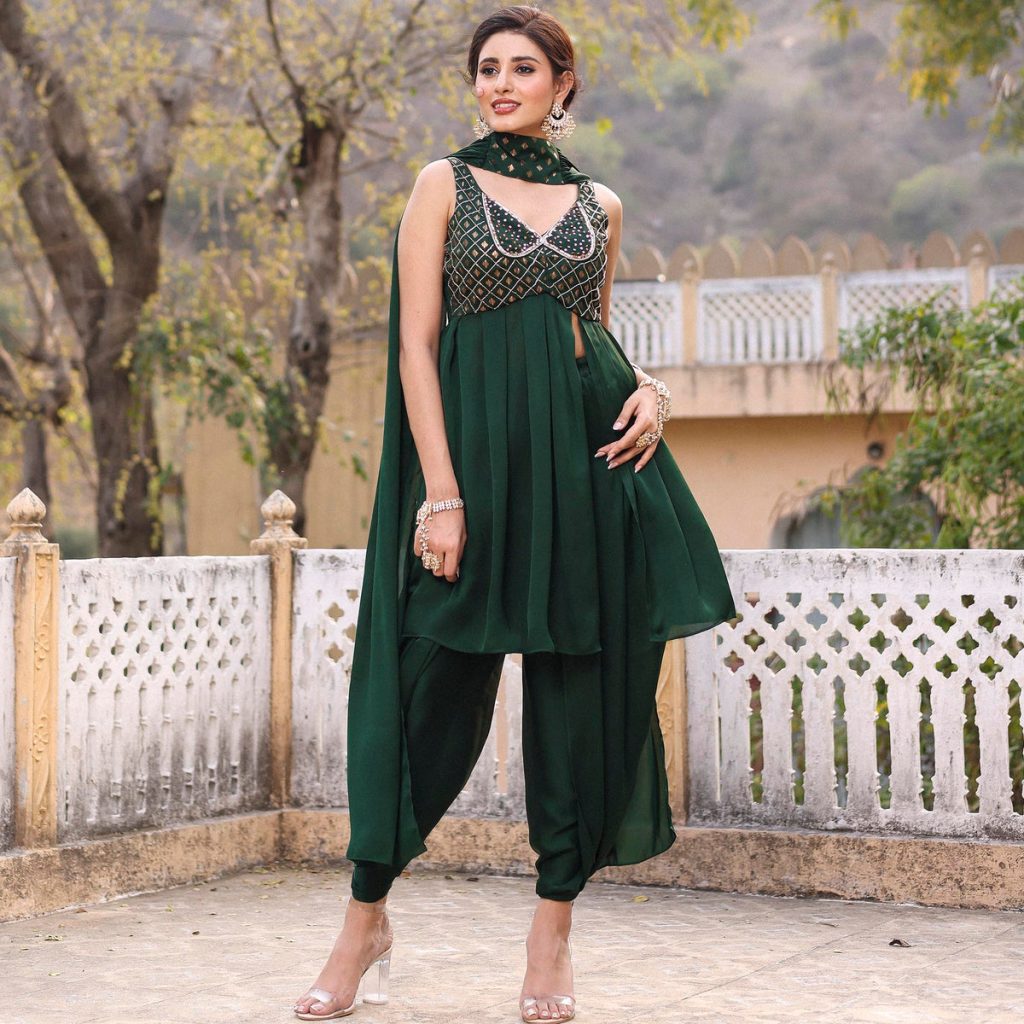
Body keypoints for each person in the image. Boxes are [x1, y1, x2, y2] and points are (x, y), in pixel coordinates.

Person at [293, 5, 737, 1021]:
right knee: (422, 690)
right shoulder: (440, 185)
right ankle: (364, 919)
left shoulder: (600, 204)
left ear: (561, 84)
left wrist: (653, 391)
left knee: (582, 698)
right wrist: (441, 495)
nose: (500, 83)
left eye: (522, 68)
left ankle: (551, 936)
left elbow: (593, 336)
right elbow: (416, 348)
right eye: (486, 67)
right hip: (473, 479)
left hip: (587, 469)